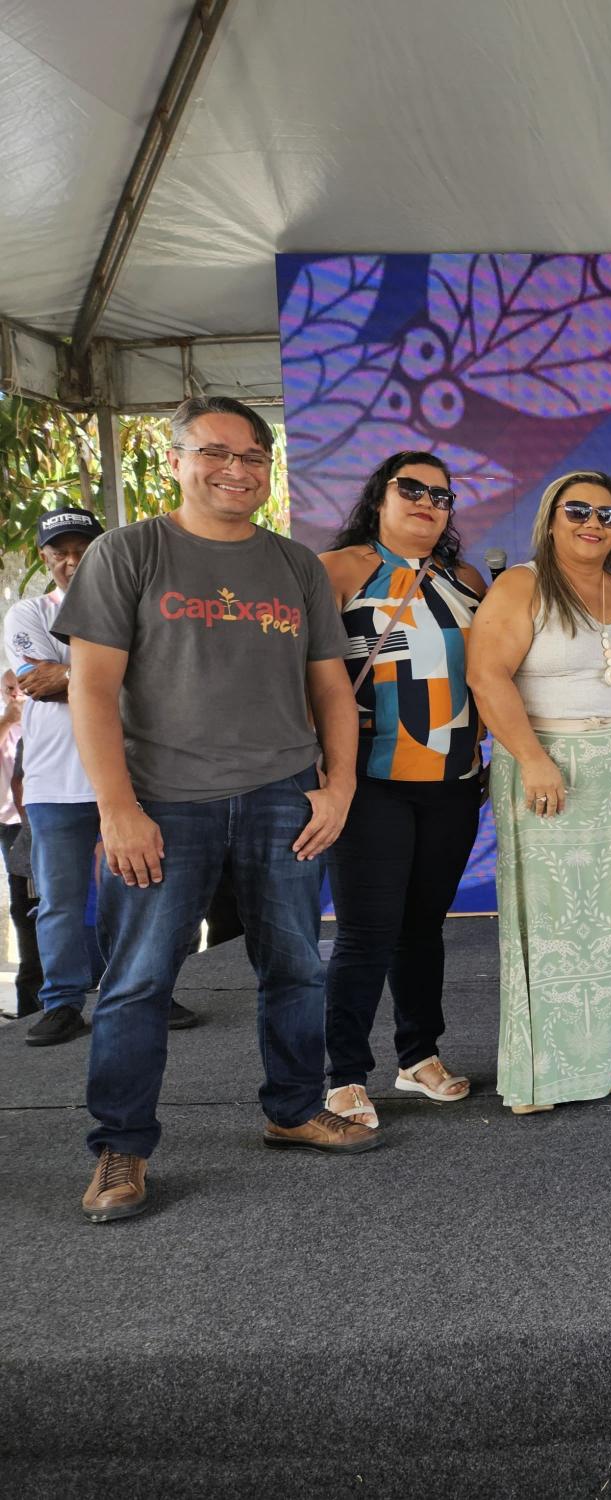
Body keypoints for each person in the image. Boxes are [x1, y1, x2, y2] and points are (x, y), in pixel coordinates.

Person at [59, 395, 375, 1224]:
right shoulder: (129, 553)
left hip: (283, 798)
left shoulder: (296, 565)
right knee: (136, 983)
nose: (235, 470)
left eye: (251, 456)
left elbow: (332, 691)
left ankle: (295, 1107)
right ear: (175, 460)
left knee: (298, 967)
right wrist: (119, 810)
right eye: (215, 453)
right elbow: (91, 691)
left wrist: (338, 787)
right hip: (163, 803)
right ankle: (120, 1147)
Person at [467, 471, 611, 1114]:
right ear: (551, 518)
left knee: (606, 921)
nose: (592, 523)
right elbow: (485, 674)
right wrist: (531, 758)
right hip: (546, 767)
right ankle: (543, 1076)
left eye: (606, 514)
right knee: (549, 925)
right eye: (577, 510)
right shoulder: (520, 585)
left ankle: (605, 1059)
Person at [318, 452, 489, 1127]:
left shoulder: (466, 578)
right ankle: (344, 1075)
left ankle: (418, 1055)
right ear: (378, 496)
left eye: (440, 495)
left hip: (453, 782)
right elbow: (310, 678)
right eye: (410, 488)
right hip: (368, 780)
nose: (426, 501)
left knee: (423, 927)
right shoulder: (337, 571)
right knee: (366, 931)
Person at [10, 509, 141, 1044]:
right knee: (59, 901)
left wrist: (76, 676)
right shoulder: (27, 613)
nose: (71, 560)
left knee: (133, 894)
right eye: (59, 551)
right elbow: (36, 683)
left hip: (131, 778)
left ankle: (136, 990)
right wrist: (116, 673)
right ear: (45, 557)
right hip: (54, 783)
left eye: (81, 548)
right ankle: (61, 1002)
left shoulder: (133, 608)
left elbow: (160, 677)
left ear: (101, 551)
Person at [1, 674, 43, 1020]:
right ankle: (30, 1010)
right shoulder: (13, 725)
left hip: (39, 826)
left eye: (21, 686)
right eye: (9, 688)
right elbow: (18, 780)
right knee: (30, 922)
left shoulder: (44, 718)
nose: (17, 693)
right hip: (18, 835)